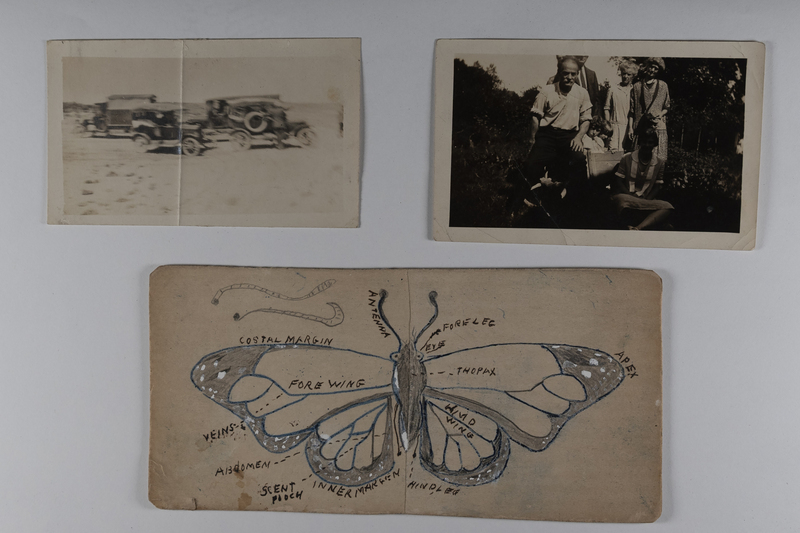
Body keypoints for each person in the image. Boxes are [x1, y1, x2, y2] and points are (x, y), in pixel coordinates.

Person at [518, 56, 592, 206]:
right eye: (566, 73)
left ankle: (577, 199)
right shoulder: (547, 91)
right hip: (547, 135)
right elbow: (535, 116)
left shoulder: (582, 93)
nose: (569, 77)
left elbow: (586, 119)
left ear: (577, 74)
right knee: (531, 164)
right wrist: (533, 140)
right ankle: (529, 197)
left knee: (579, 160)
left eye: (573, 74)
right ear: (559, 72)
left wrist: (578, 138)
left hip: (569, 135)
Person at [612, 129, 673, 230]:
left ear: (655, 144)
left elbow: (657, 186)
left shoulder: (659, 163)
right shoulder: (626, 158)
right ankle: (644, 221)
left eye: (650, 142)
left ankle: (638, 227)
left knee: (668, 207)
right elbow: (618, 181)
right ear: (639, 143)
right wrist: (629, 195)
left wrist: (646, 200)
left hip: (646, 199)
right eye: (644, 142)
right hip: (627, 197)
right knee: (621, 202)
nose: (647, 145)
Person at [628, 57, 670, 159]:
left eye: (656, 69)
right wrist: (630, 128)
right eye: (651, 67)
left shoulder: (663, 86)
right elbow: (632, 111)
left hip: (657, 128)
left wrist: (661, 114)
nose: (653, 70)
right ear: (646, 67)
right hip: (640, 127)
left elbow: (667, 106)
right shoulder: (636, 87)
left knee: (658, 159)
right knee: (638, 159)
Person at [604, 61, 637, 152]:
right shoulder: (613, 89)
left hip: (629, 128)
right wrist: (608, 124)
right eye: (624, 74)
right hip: (614, 127)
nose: (625, 76)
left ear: (633, 76)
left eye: (629, 74)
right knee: (613, 153)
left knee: (627, 155)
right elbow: (606, 108)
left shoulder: (634, 90)